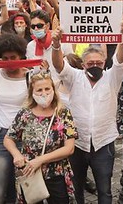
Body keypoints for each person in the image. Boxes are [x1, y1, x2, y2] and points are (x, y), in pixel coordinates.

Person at [52, 23, 123, 204]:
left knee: (105, 190)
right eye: (90, 63)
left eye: (99, 63)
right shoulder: (75, 77)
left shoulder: (112, 77)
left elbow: (120, 59)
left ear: (104, 63)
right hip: (77, 143)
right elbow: (59, 65)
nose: (95, 66)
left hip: (103, 143)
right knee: (77, 187)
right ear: (83, 64)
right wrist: (56, 45)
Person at [5, 69, 77, 204]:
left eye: (47, 89)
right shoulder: (25, 114)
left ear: (53, 90)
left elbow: (69, 148)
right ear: (32, 93)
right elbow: (9, 138)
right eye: (39, 90)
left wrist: (40, 160)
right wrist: (16, 154)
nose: (44, 93)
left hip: (56, 172)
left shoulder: (63, 113)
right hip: (29, 172)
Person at [0, 33, 30, 204]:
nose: (9, 62)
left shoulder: (30, 76)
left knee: (27, 184)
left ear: (21, 56)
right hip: (2, 134)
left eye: (13, 57)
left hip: (27, 135)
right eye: (5, 58)